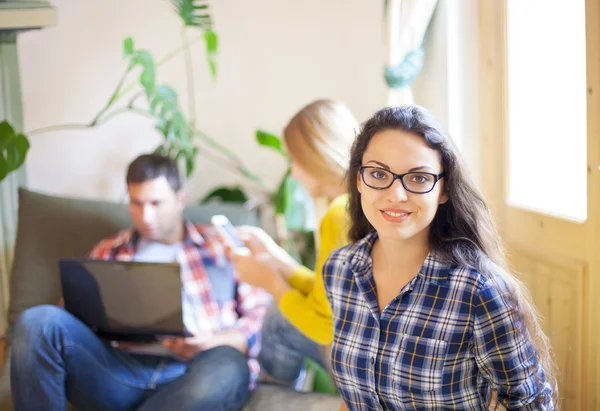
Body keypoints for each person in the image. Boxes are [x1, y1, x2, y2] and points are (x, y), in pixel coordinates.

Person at [322, 105, 557, 410]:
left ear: (444, 189)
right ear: (358, 180)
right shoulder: (339, 270)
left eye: (418, 178)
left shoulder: (478, 293)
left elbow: (531, 404)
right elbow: (353, 396)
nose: (396, 195)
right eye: (378, 174)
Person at [10, 154, 272, 411]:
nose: (146, 216)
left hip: (198, 370)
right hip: (120, 373)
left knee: (228, 365)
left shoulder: (221, 246)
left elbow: (261, 318)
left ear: (180, 200)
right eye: (136, 203)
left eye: (156, 203)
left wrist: (212, 342)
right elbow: (68, 322)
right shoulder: (109, 250)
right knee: (38, 321)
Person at [229, 99, 358, 385]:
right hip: (380, 349)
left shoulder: (339, 214)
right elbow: (333, 300)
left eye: (294, 161)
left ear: (316, 157)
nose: (293, 174)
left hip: (361, 361)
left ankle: (269, 400)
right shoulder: (361, 203)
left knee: (277, 323)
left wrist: (271, 283)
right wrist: (279, 262)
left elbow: (325, 326)